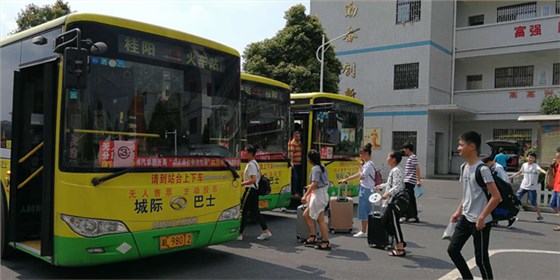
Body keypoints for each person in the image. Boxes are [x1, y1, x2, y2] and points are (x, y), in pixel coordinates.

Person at [448, 131, 501, 280]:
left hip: (481, 222)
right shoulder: (464, 167)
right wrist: (458, 211)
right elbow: (467, 194)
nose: (458, 148)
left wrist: (482, 216)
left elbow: (497, 197)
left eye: (461, 145)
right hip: (466, 217)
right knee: (453, 250)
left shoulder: (482, 169)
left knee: (481, 259)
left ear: (472, 147)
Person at [339, 143, 376, 238]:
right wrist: (346, 179)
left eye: (361, 153)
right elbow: (360, 175)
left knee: (364, 210)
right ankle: (364, 230)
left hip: (367, 189)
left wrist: (359, 167)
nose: (360, 156)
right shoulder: (367, 164)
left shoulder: (368, 165)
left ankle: (364, 231)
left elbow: (362, 176)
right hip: (366, 189)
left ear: (366, 153)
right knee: (364, 210)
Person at [375, 151, 407, 257]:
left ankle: (400, 247)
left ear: (393, 159)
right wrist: (381, 186)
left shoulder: (396, 170)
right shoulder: (395, 170)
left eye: (388, 157)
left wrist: (387, 194)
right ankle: (399, 242)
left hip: (394, 201)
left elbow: (398, 187)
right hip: (391, 201)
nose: (386, 159)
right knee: (385, 222)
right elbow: (391, 183)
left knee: (393, 223)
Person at [238, 145, 272, 241]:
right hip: (254, 190)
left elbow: (253, 179)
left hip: (250, 189)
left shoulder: (251, 165)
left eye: (246, 152)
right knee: (255, 212)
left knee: (243, 211)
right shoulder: (254, 163)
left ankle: (240, 233)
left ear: (251, 154)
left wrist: (242, 184)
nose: (244, 154)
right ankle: (266, 231)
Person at [301, 150, 331, 250]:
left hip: (318, 196)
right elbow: (321, 182)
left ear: (310, 159)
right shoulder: (322, 167)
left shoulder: (315, 169)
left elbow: (315, 183)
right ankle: (313, 236)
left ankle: (325, 241)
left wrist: (305, 195)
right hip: (321, 194)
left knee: (320, 220)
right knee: (307, 214)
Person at [482, 155, 518, 229]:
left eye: (486, 164)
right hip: (497, 189)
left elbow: (505, 179)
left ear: (490, 162)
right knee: (496, 206)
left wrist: (504, 191)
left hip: (502, 189)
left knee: (499, 206)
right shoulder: (493, 168)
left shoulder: (498, 167)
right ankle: (495, 220)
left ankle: (510, 217)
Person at [509, 152, 547, 222]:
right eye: (529, 157)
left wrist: (546, 173)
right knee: (516, 199)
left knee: (533, 202)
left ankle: (540, 216)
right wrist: (512, 176)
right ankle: (511, 215)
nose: (530, 159)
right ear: (527, 158)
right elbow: (520, 172)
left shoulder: (535, 166)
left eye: (532, 157)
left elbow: (540, 170)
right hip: (523, 186)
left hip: (532, 187)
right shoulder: (524, 165)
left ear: (534, 159)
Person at [400, 142, 421, 223]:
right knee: (408, 199)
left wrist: (418, 180)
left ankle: (413, 216)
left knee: (410, 199)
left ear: (408, 149)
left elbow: (417, 168)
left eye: (404, 149)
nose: (404, 151)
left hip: (410, 181)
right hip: (408, 180)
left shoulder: (413, 157)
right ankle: (409, 215)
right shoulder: (410, 158)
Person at [289, 131, 303, 198]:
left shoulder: (300, 143)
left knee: (299, 178)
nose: (299, 138)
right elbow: (291, 153)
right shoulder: (292, 143)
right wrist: (291, 162)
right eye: (297, 136)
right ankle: (294, 192)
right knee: (295, 178)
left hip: (300, 163)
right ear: (294, 136)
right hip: (295, 164)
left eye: (299, 136)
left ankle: (299, 191)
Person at [550, 147, 560, 231]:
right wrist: (552, 166)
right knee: (552, 204)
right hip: (556, 187)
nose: (556, 154)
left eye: (558, 153)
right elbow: (554, 174)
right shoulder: (557, 163)